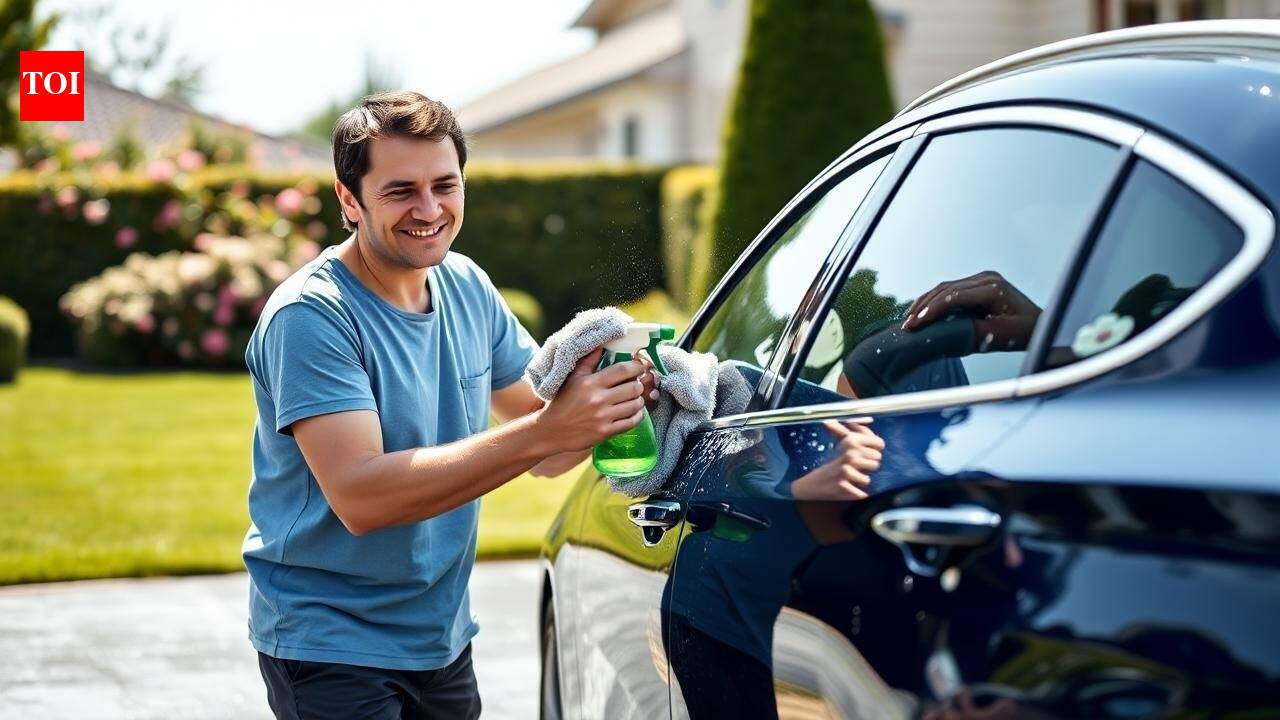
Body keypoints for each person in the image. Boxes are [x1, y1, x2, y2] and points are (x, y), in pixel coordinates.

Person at [241, 91, 655, 720]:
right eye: (401, 190)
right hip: (330, 642)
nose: (429, 209)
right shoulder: (313, 317)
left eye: (445, 184)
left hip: (440, 638)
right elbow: (362, 497)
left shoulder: (466, 286)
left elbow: (544, 449)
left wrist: (619, 403)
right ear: (348, 200)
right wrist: (549, 428)